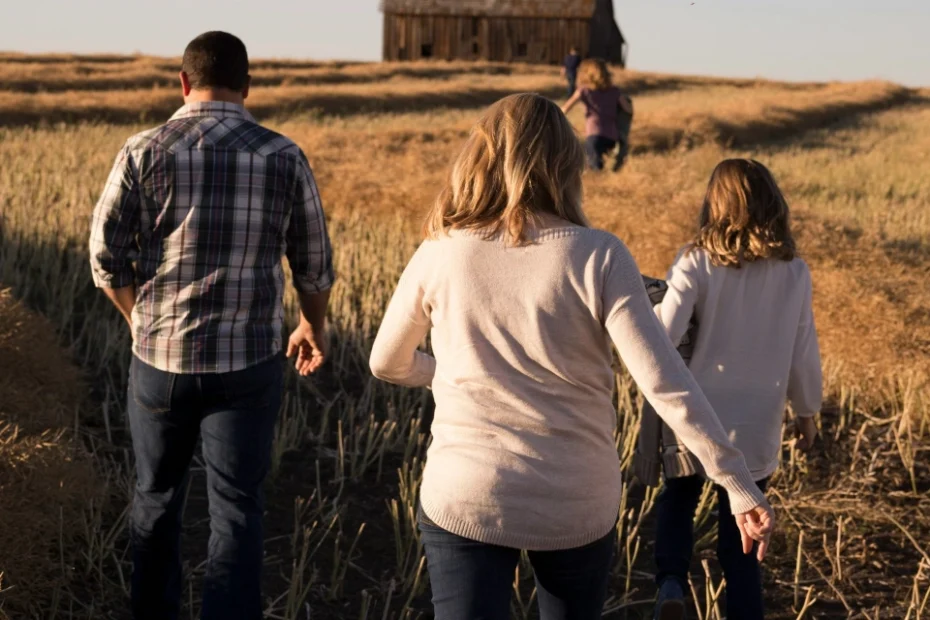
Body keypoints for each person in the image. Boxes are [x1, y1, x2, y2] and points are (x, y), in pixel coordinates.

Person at [368, 94, 775, 620]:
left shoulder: (440, 250)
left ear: (480, 158)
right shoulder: (600, 254)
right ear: (566, 162)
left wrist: (450, 373)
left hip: (466, 494)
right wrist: (737, 484)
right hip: (575, 501)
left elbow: (387, 362)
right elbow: (664, 382)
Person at [89, 31, 334, 620]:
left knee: (155, 499)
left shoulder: (142, 149)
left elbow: (105, 258)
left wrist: (137, 320)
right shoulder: (283, 155)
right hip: (248, 364)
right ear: (247, 87)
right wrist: (311, 325)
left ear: (182, 82)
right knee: (237, 508)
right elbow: (315, 266)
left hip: (160, 362)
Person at [650, 159, 822, 620]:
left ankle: (669, 580)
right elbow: (803, 349)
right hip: (759, 419)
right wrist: (807, 412)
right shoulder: (794, 272)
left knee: (679, 497)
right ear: (774, 204)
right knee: (743, 533)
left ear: (715, 203)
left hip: (699, 413)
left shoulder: (696, 261)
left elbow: (663, 336)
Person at [561, 58, 633, 172]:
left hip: (594, 135)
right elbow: (628, 109)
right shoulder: (614, 91)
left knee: (593, 170)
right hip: (612, 137)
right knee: (605, 167)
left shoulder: (584, 91)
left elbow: (565, 108)